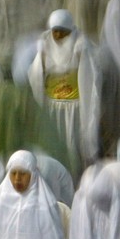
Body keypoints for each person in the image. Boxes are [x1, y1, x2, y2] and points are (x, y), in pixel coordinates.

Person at [28, 9, 100, 173]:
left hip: (74, 110)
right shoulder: (45, 44)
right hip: (51, 108)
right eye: (55, 31)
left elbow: (90, 78)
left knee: (73, 145)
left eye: (63, 32)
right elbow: (36, 74)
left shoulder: (81, 45)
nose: (58, 36)